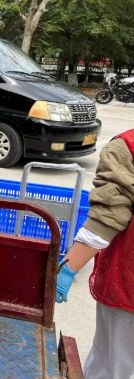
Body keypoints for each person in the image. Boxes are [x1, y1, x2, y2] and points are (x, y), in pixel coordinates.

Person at [56, 129, 133, 378]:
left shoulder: (128, 147)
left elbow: (106, 219)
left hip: (128, 286)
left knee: (112, 366)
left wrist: (67, 269)